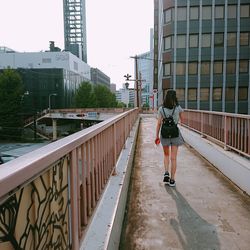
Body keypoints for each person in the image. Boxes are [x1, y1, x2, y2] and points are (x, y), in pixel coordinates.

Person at [155, 89, 184, 187]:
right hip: (175, 134)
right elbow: (182, 120)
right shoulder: (178, 108)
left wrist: (156, 136)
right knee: (174, 158)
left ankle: (166, 172)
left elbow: (159, 123)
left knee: (166, 156)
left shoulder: (161, 109)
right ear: (174, 97)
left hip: (165, 135)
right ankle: (172, 180)